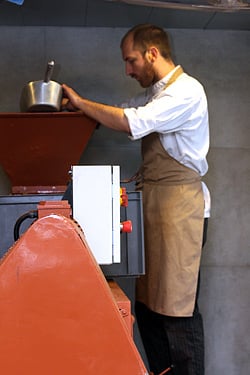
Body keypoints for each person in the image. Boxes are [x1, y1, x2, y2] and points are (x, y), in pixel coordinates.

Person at [62, 24, 210, 375]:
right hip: (157, 207)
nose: (128, 71)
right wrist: (84, 114)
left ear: (152, 54)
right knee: (148, 308)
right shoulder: (155, 94)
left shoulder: (186, 91)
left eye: (131, 61)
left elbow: (132, 122)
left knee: (176, 312)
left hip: (181, 211)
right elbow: (121, 110)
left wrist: (82, 103)